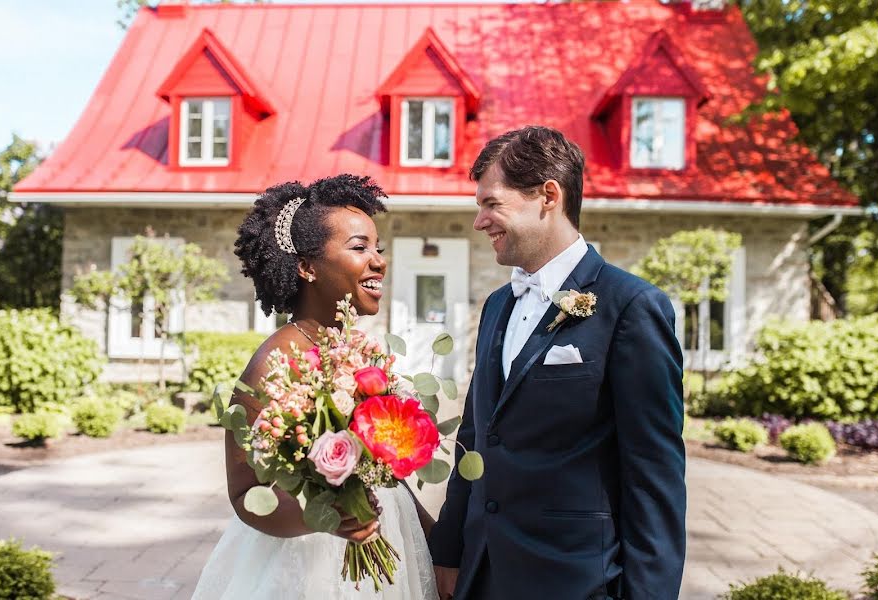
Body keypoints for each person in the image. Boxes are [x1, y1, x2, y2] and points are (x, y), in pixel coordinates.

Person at [428, 127, 686, 600]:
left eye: (492, 204)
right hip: (482, 573)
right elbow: (476, 437)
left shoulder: (631, 306)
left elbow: (654, 474)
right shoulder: (496, 306)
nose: (479, 221)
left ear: (548, 195)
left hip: (577, 579)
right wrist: (448, 550)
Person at [191, 175, 437, 599]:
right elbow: (245, 493)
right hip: (309, 565)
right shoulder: (274, 362)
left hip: (389, 540)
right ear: (307, 267)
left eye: (378, 248)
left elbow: (384, 477)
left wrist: (439, 541)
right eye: (359, 248)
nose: (378, 260)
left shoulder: (358, 352)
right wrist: (325, 517)